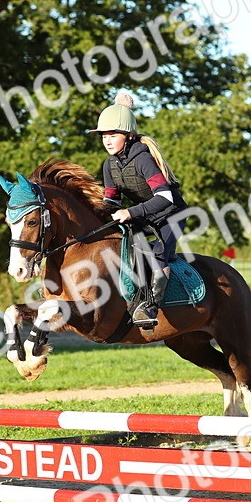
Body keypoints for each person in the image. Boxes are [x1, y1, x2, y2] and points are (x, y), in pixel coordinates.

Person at [88, 92, 187, 327]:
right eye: (104, 135)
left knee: (157, 257)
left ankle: (150, 308)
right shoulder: (109, 165)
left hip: (171, 215)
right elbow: (111, 201)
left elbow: (165, 197)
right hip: (145, 216)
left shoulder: (143, 159)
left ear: (129, 135)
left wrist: (130, 213)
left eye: (113, 134)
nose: (107, 140)